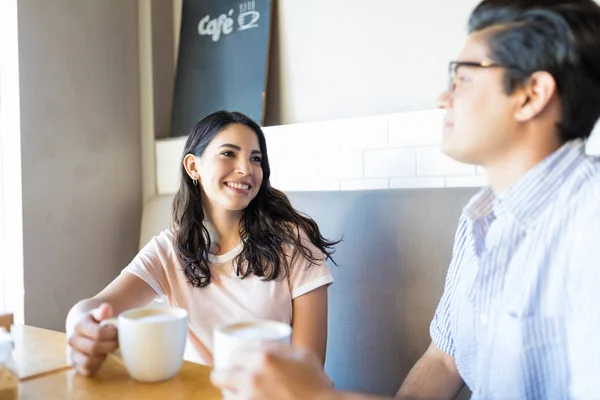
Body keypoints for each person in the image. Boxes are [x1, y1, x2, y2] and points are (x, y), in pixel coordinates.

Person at [210, 0, 600, 398]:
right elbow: (444, 359)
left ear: (532, 94)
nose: (443, 98)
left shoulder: (590, 219)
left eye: (462, 79)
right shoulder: (481, 218)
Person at [65, 110, 339, 376]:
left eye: (255, 159)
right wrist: (80, 324)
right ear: (194, 166)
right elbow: (97, 305)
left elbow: (309, 373)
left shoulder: (293, 245)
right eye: (229, 153)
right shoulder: (169, 250)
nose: (246, 169)